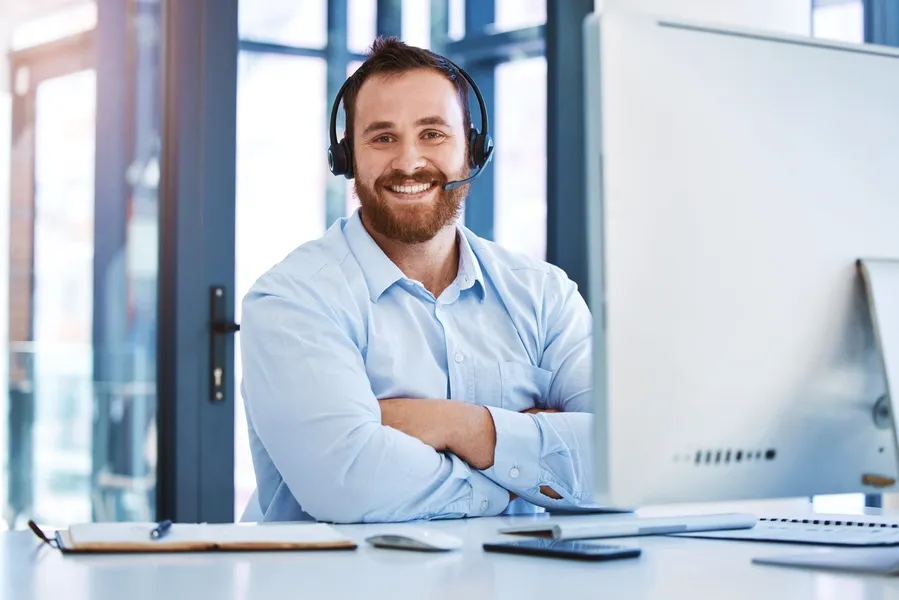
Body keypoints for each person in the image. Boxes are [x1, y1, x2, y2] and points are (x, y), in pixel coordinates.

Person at [240, 36, 597, 523]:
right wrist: (528, 470)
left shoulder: (543, 293)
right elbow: (351, 485)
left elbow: (623, 457)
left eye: (433, 134)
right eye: (383, 137)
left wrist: (456, 426)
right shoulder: (292, 299)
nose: (409, 162)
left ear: (472, 150)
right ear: (347, 160)